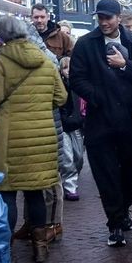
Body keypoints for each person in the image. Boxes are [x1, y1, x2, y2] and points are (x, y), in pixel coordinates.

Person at [0, 17, 67, 263]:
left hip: (10, 137)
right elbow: (61, 98)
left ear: (2, 37)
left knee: (8, 193)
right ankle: (40, 247)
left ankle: (4, 249)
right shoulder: (45, 61)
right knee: (35, 193)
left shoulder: (0, 62)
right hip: (42, 137)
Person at [69, 0, 132, 246]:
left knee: (131, 170)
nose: (104, 22)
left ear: (118, 18)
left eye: (108, 18)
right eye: (100, 18)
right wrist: (97, 97)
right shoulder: (85, 44)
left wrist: (125, 66)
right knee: (105, 174)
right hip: (99, 121)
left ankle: (123, 211)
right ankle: (115, 223)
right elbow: (76, 78)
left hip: (129, 121)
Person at [57, 56, 85, 201]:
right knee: (67, 157)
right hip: (63, 125)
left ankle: (72, 177)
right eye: (65, 67)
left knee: (79, 156)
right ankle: (70, 185)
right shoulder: (59, 84)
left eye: (70, 67)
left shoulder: (78, 84)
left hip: (76, 124)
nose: (68, 70)